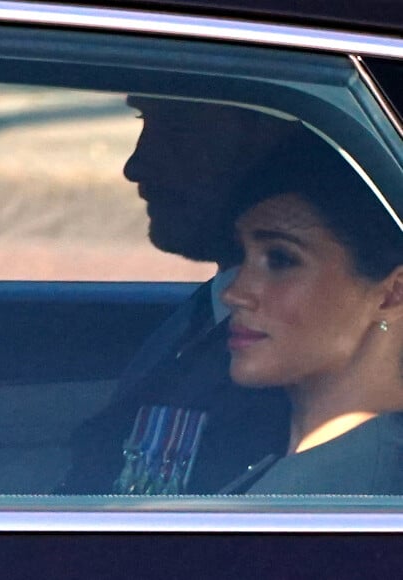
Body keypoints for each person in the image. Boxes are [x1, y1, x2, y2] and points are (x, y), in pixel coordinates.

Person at [58, 97, 297, 494]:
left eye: (179, 129)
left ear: (274, 139)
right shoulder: (210, 312)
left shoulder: (292, 373)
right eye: (146, 120)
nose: (136, 166)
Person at [218, 133, 403, 494]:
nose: (233, 293)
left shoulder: (350, 496)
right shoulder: (312, 472)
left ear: (392, 295)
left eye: (281, 259)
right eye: (242, 256)